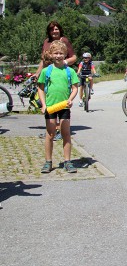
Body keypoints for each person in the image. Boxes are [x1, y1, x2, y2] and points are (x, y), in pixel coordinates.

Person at [37, 40, 79, 173]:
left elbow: (75, 88)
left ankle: (67, 161)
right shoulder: (46, 71)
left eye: (61, 53)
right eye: (56, 53)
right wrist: (43, 104)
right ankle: (48, 162)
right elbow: (41, 88)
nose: (58, 56)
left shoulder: (70, 71)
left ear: (65, 54)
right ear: (51, 54)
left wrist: (71, 99)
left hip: (64, 106)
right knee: (50, 134)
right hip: (50, 106)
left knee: (66, 133)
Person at [34, 21, 77, 141]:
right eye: (52, 29)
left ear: (60, 30)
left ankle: (58, 130)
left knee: (59, 100)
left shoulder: (64, 41)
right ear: (49, 31)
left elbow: (74, 57)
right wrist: (38, 72)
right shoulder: (46, 42)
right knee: (46, 100)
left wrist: (65, 62)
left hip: (61, 73)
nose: (54, 31)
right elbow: (43, 60)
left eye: (56, 29)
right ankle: (51, 130)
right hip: (48, 74)